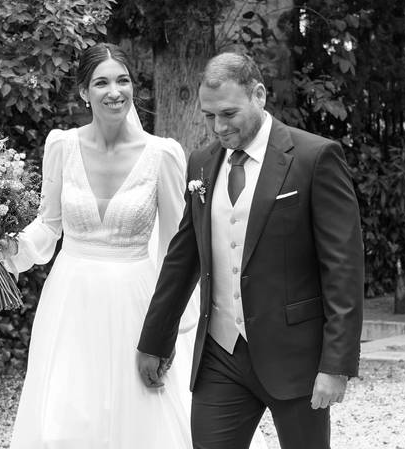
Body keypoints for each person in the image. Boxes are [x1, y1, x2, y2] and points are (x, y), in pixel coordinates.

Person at [0, 43, 267, 449]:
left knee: (144, 416)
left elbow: (177, 251)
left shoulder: (162, 154)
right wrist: (11, 248)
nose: (115, 91)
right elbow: (48, 226)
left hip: (137, 299)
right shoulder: (61, 146)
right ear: (84, 92)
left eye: (123, 80)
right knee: (67, 415)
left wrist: (174, 329)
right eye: (101, 82)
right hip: (71, 302)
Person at [137, 51, 364, 449]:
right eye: (209, 116)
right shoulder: (202, 164)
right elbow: (182, 258)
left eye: (228, 113)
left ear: (258, 95)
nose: (218, 127)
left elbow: (343, 268)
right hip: (220, 356)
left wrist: (336, 365)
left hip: (295, 358)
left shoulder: (314, 157)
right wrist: (155, 341)